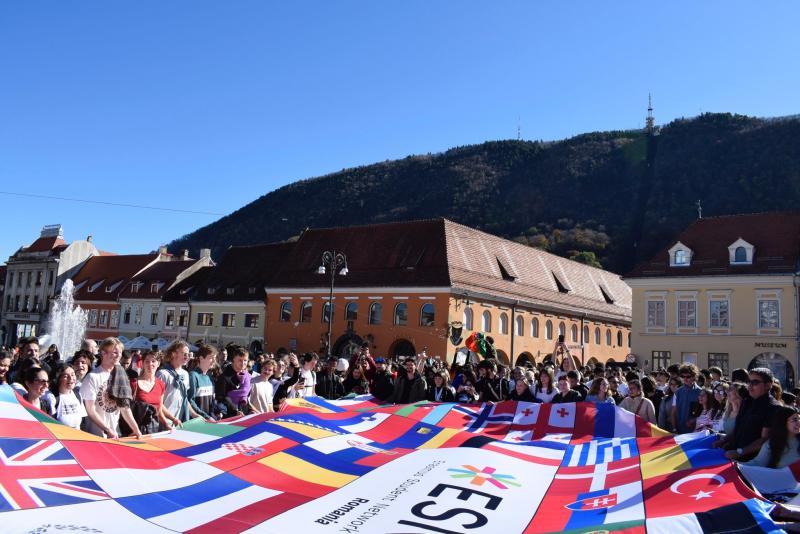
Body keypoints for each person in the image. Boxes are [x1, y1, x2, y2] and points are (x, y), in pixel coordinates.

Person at [80, 337, 141, 439]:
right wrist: (107, 430)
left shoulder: (120, 375)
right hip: (95, 436)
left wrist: (136, 430)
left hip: (114, 434)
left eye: (120, 353)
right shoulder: (92, 377)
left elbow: (125, 408)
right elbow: (90, 410)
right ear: (103, 353)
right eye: (115, 352)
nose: (119, 356)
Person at [715, 368, 780, 462]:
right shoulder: (747, 402)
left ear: (768, 385)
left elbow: (765, 439)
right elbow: (738, 429)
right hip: (731, 455)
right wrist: (723, 440)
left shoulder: (773, 407)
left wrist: (740, 452)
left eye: (754, 383)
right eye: (748, 382)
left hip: (751, 463)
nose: (749, 386)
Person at [133, 351, 179, 433]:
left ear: (158, 363)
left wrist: (166, 424)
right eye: (147, 361)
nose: (150, 364)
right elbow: (127, 409)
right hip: (136, 430)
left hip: (154, 429)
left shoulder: (161, 384)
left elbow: (159, 410)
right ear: (143, 364)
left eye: (153, 361)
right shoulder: (134, 383)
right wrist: (133, 429)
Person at [157, 340, 200, 423]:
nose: (187, 357)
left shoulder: (185, 374)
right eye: (184, 354)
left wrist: (194, 415)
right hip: (164, 422)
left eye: (188, 354)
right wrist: (170, 419)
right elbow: (158, 402)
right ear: (173, 354)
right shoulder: (162, 374)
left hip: (179, 422)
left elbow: (184, 399)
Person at [216, 347, 255, 416]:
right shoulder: (224, 377)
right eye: (240, 360)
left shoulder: (247, 376)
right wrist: (234, 412)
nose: (243, 363)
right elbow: (220, 400)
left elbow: (246, 398)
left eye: (245, 360)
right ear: (233, 359)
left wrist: (250, 410)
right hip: (230, 417)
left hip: (244, 415)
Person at [188, 345, 218, 420]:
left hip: (209, 420)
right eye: (211, 358)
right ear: (201, 358)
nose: (214, 361)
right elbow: (190, 400)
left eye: (215, 358)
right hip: (197, 421)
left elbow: (212, 401)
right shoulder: (193, 375)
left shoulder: (209, 377)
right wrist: (205, 416)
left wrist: (218, 412)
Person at [671, 364, 702, 433]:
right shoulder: (677, 392)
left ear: (694, 376)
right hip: (679, 431)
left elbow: (705, 412)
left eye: (688, 376)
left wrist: (693, 420)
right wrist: (674, 428)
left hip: (695, 431)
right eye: (682, 376)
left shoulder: (701, 392)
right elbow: (673, 412)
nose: (685, 379)